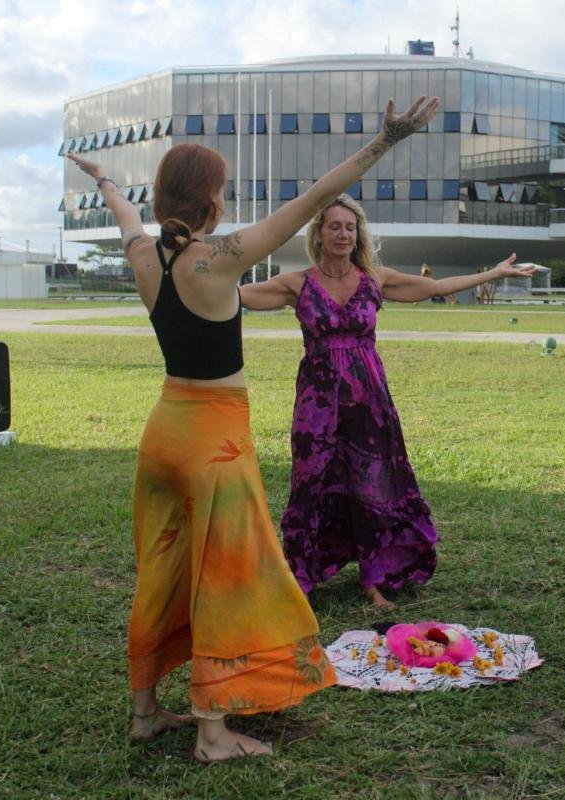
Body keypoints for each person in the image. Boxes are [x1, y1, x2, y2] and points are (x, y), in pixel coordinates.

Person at [65, 95, 440, 761]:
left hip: (163, 434)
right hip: (213, 445)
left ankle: (146, 712)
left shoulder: (145, 255)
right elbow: (317, 196)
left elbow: (122, 213)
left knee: (162, 570)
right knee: (227, 577)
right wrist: (387, 140)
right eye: (224, 190)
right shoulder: (218, 258)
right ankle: (212, 732)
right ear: (212, 201)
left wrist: (103, 179)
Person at [239, 199, 536, 608]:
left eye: (350, 227)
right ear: (319, 234)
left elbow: (435, 288)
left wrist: (494, 273)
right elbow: (236, 296)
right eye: (335, 226)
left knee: (371, 485)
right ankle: (301, 575)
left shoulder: (374, 279)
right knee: (311, 482)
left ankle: (373, 579)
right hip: (317, 403)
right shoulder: (298, 284)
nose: (344, 234)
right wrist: (191, 277)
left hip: (369, 401)